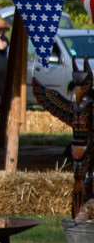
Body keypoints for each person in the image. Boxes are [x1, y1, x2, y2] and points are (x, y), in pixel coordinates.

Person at [29, 69, 94, 220]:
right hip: (79, 154)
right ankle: (79, 217)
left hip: (86, 153)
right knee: (80, 184)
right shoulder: (76, 107)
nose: (77, 90)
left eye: (81, 85)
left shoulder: (89, 106)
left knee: (87, 181)